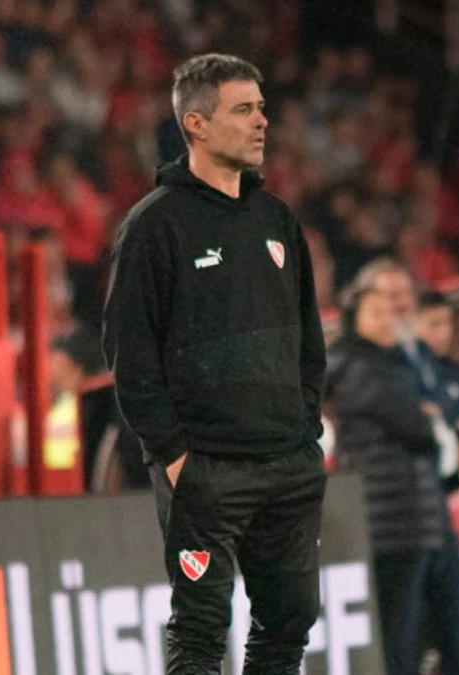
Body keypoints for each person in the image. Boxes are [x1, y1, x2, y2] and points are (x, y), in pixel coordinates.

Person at [102, 53, 327, 673]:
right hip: (206, 468)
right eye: (244, 109)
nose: (262, 121)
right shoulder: (154, 226)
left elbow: (309, 340)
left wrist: (304, 433)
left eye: (261, 108)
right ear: (196, 124)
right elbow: (130, 354)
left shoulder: (278, 219)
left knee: (289, 622)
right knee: (201, 632)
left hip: (286, 463)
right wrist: (175, 457)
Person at [326, 280, 459, 675]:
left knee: (408, 635)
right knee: (397, 636)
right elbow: (416, 426)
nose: (386, 322)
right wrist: (427, 420)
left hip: (404, 521)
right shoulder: (360, 368)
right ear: (352, 322)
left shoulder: (389, 363)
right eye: (375, 314)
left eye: (390, 313)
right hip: (391, 524)